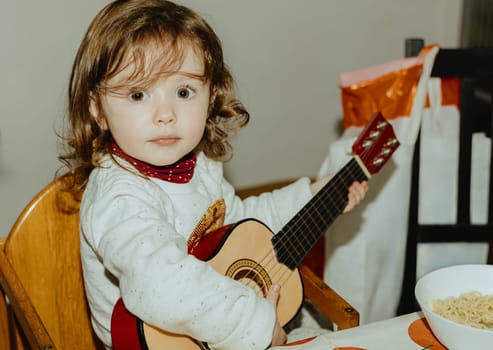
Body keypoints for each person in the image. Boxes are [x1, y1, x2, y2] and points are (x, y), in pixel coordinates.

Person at [59, 1, 368, 349]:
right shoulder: (119, 198)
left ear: (211, 97)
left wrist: (311, 197)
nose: (165, 114)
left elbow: (240, 229)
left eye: (183, 92)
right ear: (97, 109)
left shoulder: (200, 166)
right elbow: (163, 284)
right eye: (137, 94)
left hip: (219, 320)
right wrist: (256, 324)